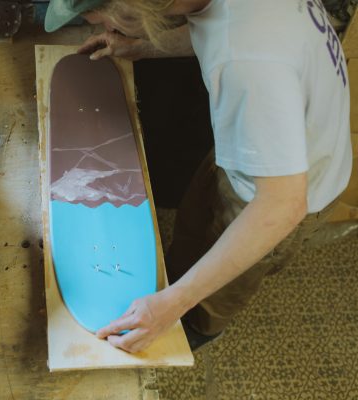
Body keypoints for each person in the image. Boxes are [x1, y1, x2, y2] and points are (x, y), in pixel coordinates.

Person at [45, 0, 353, 353]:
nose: (107, 29)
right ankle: (181, 280)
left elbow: (283, 206)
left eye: (104, 21)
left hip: (287, 196)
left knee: (218, 295)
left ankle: (199, 327)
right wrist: (144, 47)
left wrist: (176, 303)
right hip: (262, 154)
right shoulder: (228, 14)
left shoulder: (247, 64)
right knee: (194, 226)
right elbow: (215, 27)